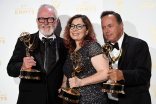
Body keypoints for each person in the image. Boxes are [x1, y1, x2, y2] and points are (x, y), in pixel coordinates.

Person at [7, 4, 67, 104]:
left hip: (55, 100)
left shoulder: (65, 44)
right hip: (29, 99)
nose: (46, 22)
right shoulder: (24, 40)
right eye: (41, 19)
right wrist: (22, 66)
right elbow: (10, 69)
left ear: (56, 21)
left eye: (50, 19)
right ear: (37, 21)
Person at [100, 11, 151, 104]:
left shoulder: (139, 45)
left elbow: (144, 74)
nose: (106, 31)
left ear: (121, 25)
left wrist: (123, 75)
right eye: (103, 27)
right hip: (109, 101)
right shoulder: (102, 49)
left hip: (134, 100)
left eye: (110, 26)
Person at [61, 14, 109, 104]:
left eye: (79, 26)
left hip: (92, 100)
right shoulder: (70, 52)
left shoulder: (92, 46)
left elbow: (105, 73)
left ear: (87, 31)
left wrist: (81, 82)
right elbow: (66, 78)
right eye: (72, 26)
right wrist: (63, 88)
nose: (75, 29)